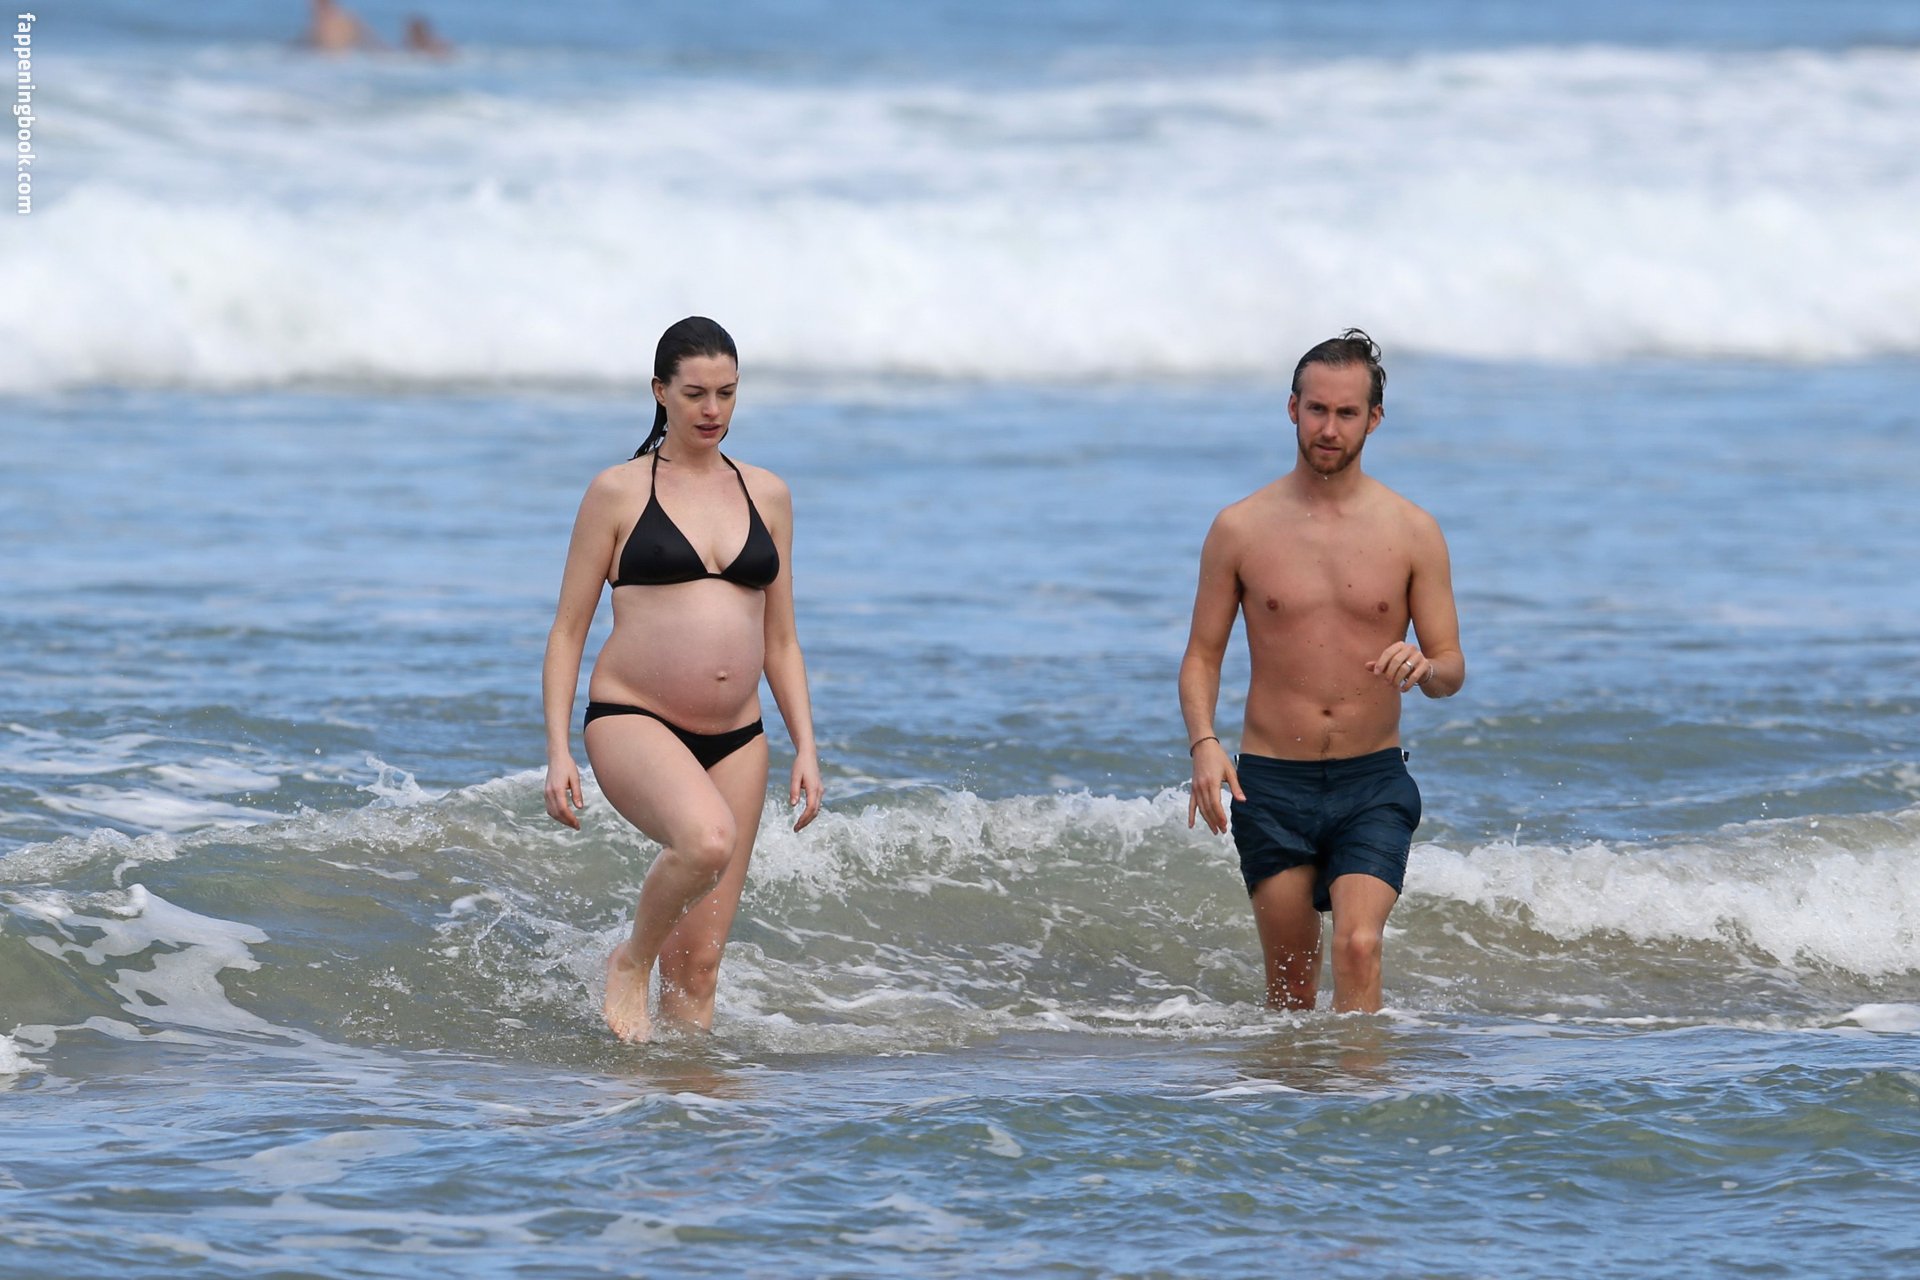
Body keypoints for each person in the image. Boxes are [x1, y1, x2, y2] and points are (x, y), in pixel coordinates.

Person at [543, 317, 822, 1043]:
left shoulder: (768, 494)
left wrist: (806, 746)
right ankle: (630, 959)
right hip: (634, 718)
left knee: (697, 968)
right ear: (660, 392)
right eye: (695, 393)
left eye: (727, 393)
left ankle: (686, 1099)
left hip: (739, 736)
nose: (712, 409)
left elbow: (782, 639)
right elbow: (568, 630)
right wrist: (557, 750)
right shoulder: (617, 492)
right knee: (706, 840)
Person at [1179, 329, 1464, 1014]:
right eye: (1316, 410)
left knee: (1359, 946)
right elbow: (1202, 656)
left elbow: (1451, 668)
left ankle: (1361, 1085)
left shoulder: (1413, 531)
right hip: (1271, 783)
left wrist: (1424, 666)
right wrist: (1205, 744)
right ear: (1292, 409)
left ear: (1374, 419)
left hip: (1373, 782)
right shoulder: (1240, 529)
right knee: (1290, 988)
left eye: (1346, 413)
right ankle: (1302, 1087)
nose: (1329, 429)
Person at [301, 0, 380, 52]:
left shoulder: (320, 27)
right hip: (353, 62)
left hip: (336, 64)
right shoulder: (350, 18)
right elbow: (373, 43)